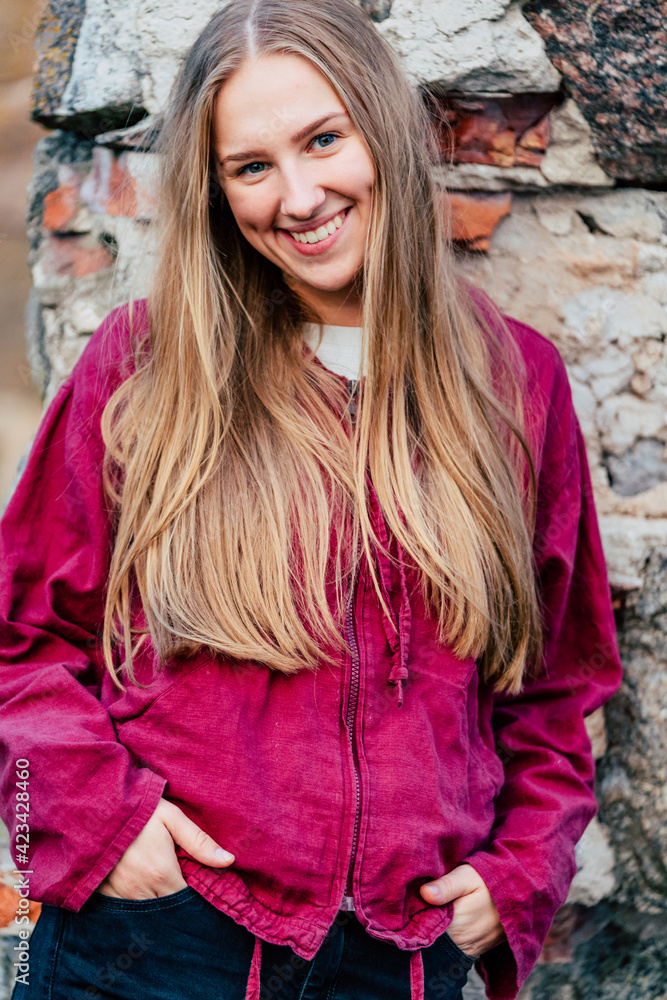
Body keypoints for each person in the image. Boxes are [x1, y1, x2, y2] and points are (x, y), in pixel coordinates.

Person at [0, 1, 622, 998]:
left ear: (380, 129)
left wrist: (518, 876)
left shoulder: (517, 384)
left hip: (396, 960)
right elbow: (17, 637)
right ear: (216, 191)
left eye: (322, 140)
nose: (297, 196)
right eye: (251, 167)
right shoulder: (144, 365)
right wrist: (84, 823)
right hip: (156, 946)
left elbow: (557, 684)